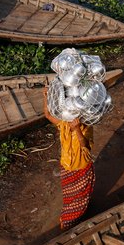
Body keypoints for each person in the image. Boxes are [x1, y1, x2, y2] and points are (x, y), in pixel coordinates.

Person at [43, 88, 95, 230]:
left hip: (81, 168)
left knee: (80, 200)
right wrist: (47, 96)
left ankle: (70, 222)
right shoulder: (63, 125)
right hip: (67, 167)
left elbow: (86, 146)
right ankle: (71, 219)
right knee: (70, 198)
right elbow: (47, 114)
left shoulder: (86, 127)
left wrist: (77, 129)